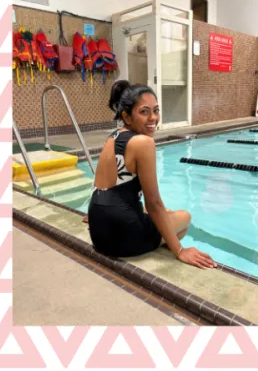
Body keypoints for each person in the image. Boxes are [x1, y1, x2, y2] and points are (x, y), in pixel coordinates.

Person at [86, 80, 217, 269]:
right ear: (127, 117)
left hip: (99, 230)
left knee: (167, 214)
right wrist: (180, 251)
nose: (153, 118)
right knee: (184, 219)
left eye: (156, 110)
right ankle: (153, 242)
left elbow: (107, 186)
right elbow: (153, 203)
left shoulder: (114, 136)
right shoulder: (142, 143)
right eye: (144, 112)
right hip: (121, 236)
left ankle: (153, 235)